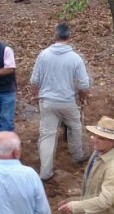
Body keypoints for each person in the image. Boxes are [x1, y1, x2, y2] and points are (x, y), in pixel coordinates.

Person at [30, 23, 91, 182]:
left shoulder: (43, 55)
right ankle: (77, 155)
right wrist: (83, 97)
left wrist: (37, 96)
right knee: (75, 125)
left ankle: (45, 172)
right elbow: (84, 84)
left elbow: (34, 81)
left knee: (47, 135)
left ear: (54, 36)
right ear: (69, 37)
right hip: (67, 102)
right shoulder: (75, 58)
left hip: (48, 102)